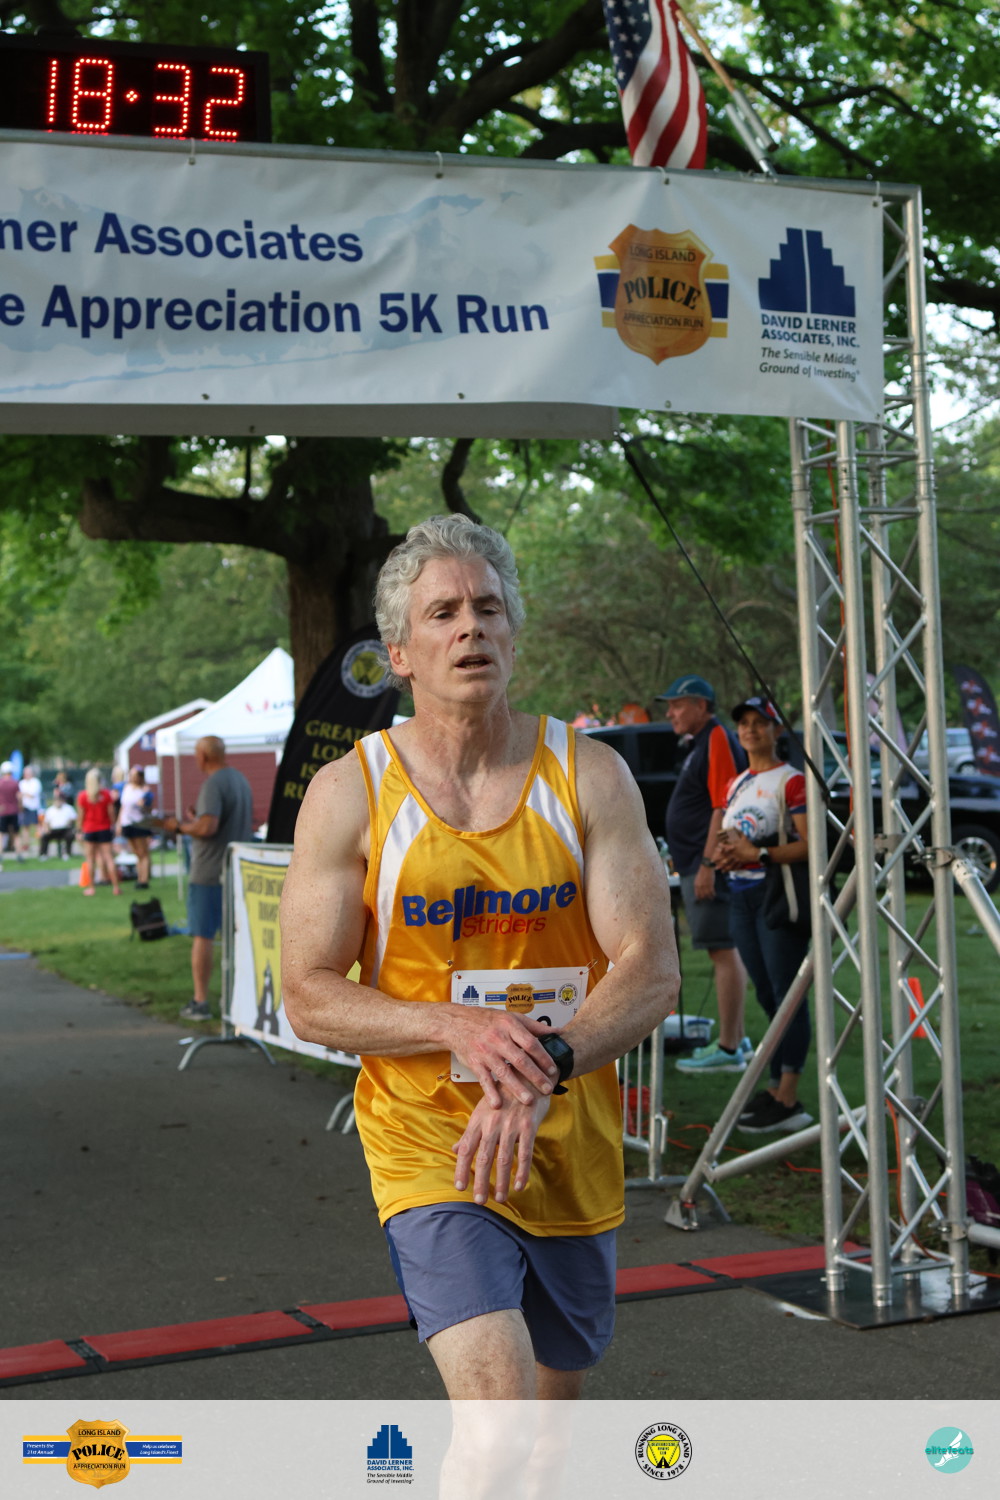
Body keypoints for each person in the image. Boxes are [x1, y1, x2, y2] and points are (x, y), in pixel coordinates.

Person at [280, 514, 679, 1404]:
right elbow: (307, 994)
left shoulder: (590, 776)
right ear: (400, 654)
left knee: (547, 1421)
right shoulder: (350, 792)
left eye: (489, 608)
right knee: (498, 1404)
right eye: (444, 613)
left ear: (513, 634)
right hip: (430, 1141)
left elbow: (651, 968)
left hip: (564, 1135)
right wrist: (453, 1025)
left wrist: (544, 1063)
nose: (472, 628)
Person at [712, 696, 813, 1134]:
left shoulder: (791, 781)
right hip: (740, 898)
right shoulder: (736, 783)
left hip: (776, 898)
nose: (750, 730)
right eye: (744, 724)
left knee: (788, 994)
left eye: (760, 723)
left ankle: (788, 1096)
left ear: (777, 730)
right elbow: (732, 837)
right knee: (768, 995)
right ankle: (774, 1089)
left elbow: (811, 845)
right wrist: (725, 855)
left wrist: (759, 854)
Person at [659, 675, 750, 1073]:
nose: (670, 712)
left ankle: (729, 1049)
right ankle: (737, 1040)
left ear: (700, 705)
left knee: (722, 950)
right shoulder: (699, 743)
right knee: (723, 950)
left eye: (677, 704)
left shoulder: (716, 738)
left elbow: (722, 805)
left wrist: (709, 864)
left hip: (706, 864)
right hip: (697, 861)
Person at [161, 736, 253, 1022]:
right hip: (233, 870)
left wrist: (179, 827)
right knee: (235, 937)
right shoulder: (239, 779)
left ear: (203, 756)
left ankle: (200, 1001)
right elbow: (215, 820)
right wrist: (197, 819)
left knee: (202, 936)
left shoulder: (213, 783)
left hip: (209, 872)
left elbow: (208, 826)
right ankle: (238, 999)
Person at [77, 768, 121, 895]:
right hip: (104, 829)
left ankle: (91, 888)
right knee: (109, 858)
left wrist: (79, 830)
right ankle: (116, 887)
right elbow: (111, 813)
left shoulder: (83, 796)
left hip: (89, 830)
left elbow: (81, 816)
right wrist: (113, 825)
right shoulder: (106, 794)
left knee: (90, 860)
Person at [117, 766, 155, 889]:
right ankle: (140, 877)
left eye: (134, 775)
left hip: (139, 823)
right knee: (136, 852)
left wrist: (143, 805)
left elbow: (148, 809)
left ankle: (144, 879)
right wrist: (119, 823)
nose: (132, 778)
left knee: (143, 852)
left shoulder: (144, 790)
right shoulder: (127, 788)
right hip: (127, 823)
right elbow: (123, 807)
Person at [38, 788, 77, 858]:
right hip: (53, 830)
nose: (58, 802)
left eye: (59, 800)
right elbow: (46, 821)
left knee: (70, 835)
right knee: (44, 836)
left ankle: (67, 853)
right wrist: (46, 828)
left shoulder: (68, 808)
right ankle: (43, 854)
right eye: (56, 800)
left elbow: (74, 818)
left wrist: (70, 822)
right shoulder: (50, 810)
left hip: (65, 829)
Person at [16, 763, 43, 859]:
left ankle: (41, 844)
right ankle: (26, 844)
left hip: (34, 807)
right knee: (25, 827)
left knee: (37, 826)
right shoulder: (22, 783)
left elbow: (32, 795)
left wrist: (23, 794)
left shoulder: (36, 782)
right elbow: (19, 795)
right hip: (24, 807)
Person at [0, 762, 19, 864]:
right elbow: (19, 797)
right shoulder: (14, 783)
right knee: (16, 834)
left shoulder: (0, 783)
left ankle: (1, 854)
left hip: (2, 811)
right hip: (13, 810)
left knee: (1, 834)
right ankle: (18, 854)